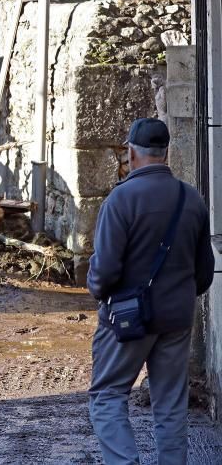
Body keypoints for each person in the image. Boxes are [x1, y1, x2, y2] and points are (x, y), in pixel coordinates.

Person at [88, 118, 215, 464]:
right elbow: (204, 274)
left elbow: (105, 271)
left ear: (130, 152)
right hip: (177, 318)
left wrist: (98, 292)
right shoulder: (192, 199)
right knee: (171, 405)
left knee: (108, 396)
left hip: (127, 321)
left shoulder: (120, 200)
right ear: (165, 152)